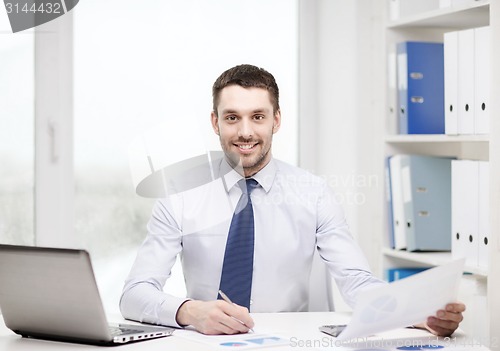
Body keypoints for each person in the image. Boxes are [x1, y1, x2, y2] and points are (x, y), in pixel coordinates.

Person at [120, 64, 465, 336]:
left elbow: (357, 281)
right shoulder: (179, 194)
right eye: (232, 118)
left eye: (257, 116)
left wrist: (417, 315)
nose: (245, 132)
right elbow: (135, 293)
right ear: (215, 122)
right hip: (205, 342)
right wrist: (190, 311)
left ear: (276, 120)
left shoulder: (313, 193)